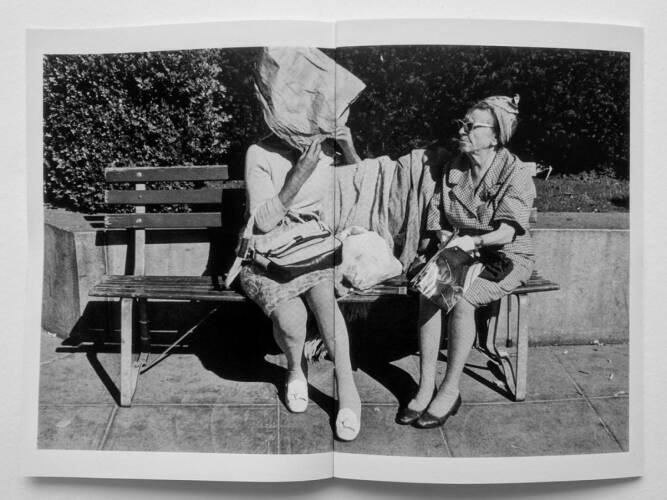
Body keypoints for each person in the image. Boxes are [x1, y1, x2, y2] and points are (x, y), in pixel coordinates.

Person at [396, 95, 536, 428]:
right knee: (430, 292)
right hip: (463, 250)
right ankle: (425, 386)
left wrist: (471, 242)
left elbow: (507, 232)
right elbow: (437, 214)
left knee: (463, 301)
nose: (462, 130)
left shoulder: (514, 172)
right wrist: (446, 238)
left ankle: (450, 390)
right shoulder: (454, 168)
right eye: (462, 123)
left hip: (506, 255)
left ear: (495, 136)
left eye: (472, 126)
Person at [239, 125, 363, 441]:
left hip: (312, 246)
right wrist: (299, 174)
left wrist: (348, 148)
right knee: (292, 320)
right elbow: (263, 222)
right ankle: (296, 368)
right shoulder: (259, 153)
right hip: (266, 253)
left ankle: (348, 389)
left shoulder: (325, 150)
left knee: (324, 297)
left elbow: (359, 189)